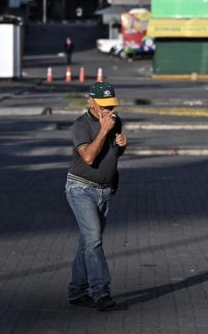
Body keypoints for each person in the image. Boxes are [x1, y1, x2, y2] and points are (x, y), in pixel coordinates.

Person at [65, 81, 128, 311]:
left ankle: (76, 291)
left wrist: (121, 145)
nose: (109, 111)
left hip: (105, 190)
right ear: (91, 101)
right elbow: (89, 158)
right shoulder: (80, 125)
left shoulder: (115, 121)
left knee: (88, 241)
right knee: (93, 239)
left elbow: (111, 154)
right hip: (80, 188)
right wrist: (103, 130)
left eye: (111, 106)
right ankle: (100, 291)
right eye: (104, 106)